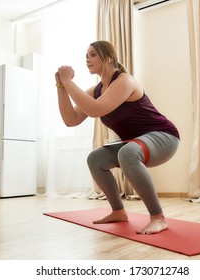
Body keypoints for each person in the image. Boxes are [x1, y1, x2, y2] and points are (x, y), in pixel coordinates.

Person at [55, 40, 180, 234]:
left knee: (128, 152)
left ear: (109, 57)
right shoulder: (95, 91)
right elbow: (71, 120)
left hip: (163, 137)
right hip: (135, 142)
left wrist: (69, 81)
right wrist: (61, 86)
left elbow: (95, 110)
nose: (88, 59)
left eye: (93, 54)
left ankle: (158, 217)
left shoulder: (124, 81)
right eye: (86, 56)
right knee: (95, 158)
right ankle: (118, 211)